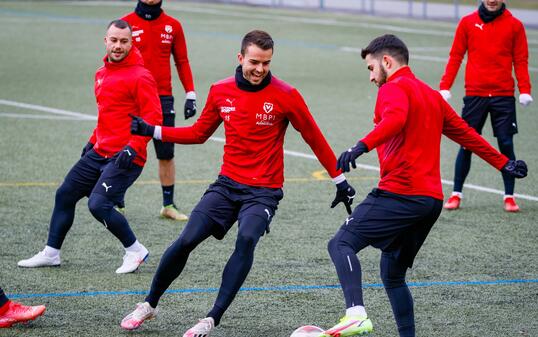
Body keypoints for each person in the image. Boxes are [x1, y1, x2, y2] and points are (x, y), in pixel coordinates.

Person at [120, 30, 356, 336]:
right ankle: (148, 305)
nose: (259, 69)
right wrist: (154, 130)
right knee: (186, 239)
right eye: (254, 62)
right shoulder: (220, 91)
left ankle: (211, 319)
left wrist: (340, 180)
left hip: (264, 192)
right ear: (240, 57)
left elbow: (314, 137)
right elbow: (198, 133)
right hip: (227, 185)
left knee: (246, 238)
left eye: (266, 63)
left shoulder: (286, 95)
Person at [321, 35, 527, 337]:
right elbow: (466, 134)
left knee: (340, 244)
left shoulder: (393, 88)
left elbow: (395, 119)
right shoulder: (431, 95)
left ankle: (356, 315)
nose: (371, 77)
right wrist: (503, 163)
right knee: (392, 275)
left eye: (371, 68)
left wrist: (360, 146)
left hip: (399, 193)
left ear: (387, 62)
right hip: (429, 203)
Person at [17, 20, 162, 274]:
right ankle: (51, 253)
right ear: (105, 41)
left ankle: (135, 250)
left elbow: (153, 116)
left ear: (131, 43)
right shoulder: (101, 74)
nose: (118, 46)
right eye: (114, 40)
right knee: (65, 195)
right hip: (100, 151)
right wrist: (93, 140)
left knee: (98, 205)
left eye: (124, 41)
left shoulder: (141, 76)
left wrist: (134, 145)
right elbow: (108, 115)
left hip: (127, 156)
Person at [439, 0, 532, 212]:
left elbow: (521, 60)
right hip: (475, 95)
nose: (491, 0)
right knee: (467, 144)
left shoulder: (515, 25)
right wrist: (445, 86)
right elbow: (456, 55)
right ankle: (456, 194)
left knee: (506, 143)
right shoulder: (467, 22)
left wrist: (525, 89)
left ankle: (509, 196)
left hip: (503, 96)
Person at [121, 0, 197, 221]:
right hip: (132, 96)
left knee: (166, 153)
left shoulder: (173, 25)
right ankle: (116, 201)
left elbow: (182, 61)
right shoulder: (125, 24)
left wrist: (190, 94)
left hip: (163, 99)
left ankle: (168, 205)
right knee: (123, 148)